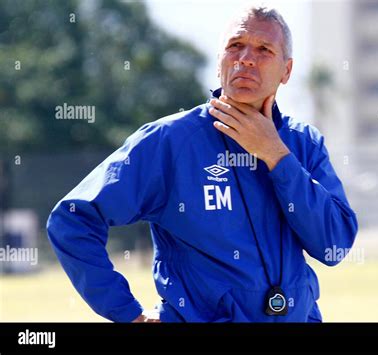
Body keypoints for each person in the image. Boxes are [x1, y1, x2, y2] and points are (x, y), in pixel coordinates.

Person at [47, 5, 358, 323]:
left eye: (264, 49)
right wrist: (128, 313)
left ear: (286, 71)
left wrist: (277, 157)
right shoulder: (172, 140)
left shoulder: (304, 143)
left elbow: (333, 244)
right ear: (220, 61)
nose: (246, 58)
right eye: (235, 46)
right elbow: (72, 220)